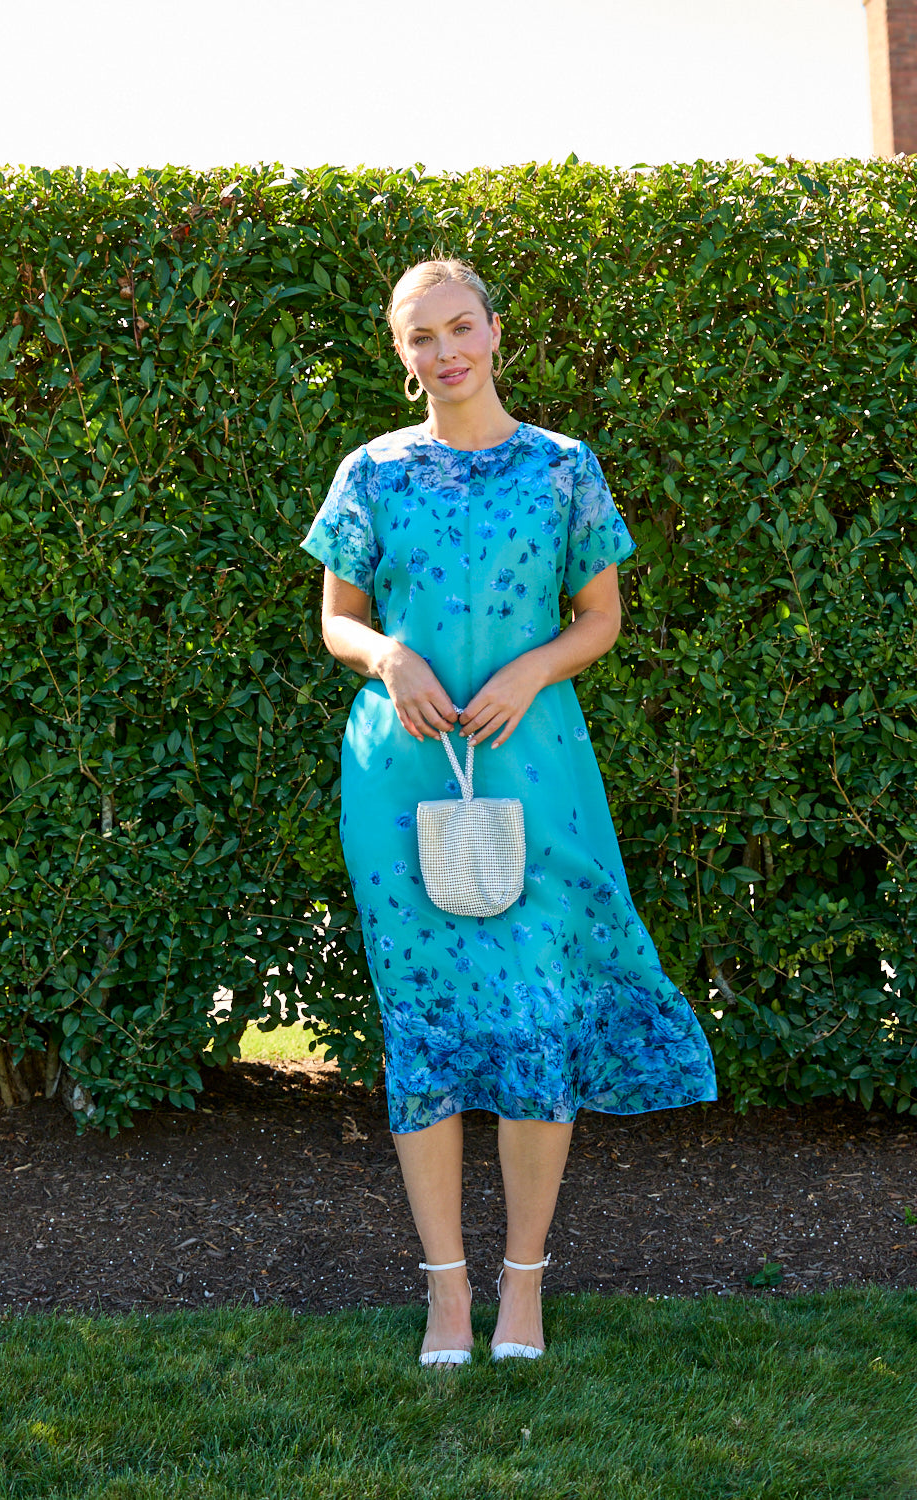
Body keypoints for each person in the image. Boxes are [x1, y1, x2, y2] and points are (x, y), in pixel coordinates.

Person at [301, 258, 716, 1367]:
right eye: (421, 337)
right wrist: (386, 653)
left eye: (460, 326)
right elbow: (337, 620)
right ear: (401, 357)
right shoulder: (372, 473)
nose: (446, 351)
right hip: (404, 778)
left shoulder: (562, 468)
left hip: (534, 768)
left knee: (538, 1021)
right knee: (426, 1028)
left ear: (493, 330)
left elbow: (599, 617)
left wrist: (532, 672)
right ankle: (445, 1295)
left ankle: (521, 1286)